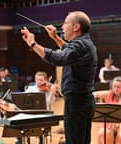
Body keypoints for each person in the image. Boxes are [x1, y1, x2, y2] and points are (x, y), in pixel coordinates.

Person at [21, 11, 98, 144]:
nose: (62, 26)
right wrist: (55, 38)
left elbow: (59, 58)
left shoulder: (80, 45)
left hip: (77, 103)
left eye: (66, 23)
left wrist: (33, 44)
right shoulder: (84, 43)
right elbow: (69, 51)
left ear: (76, 27)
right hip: (82, 101)